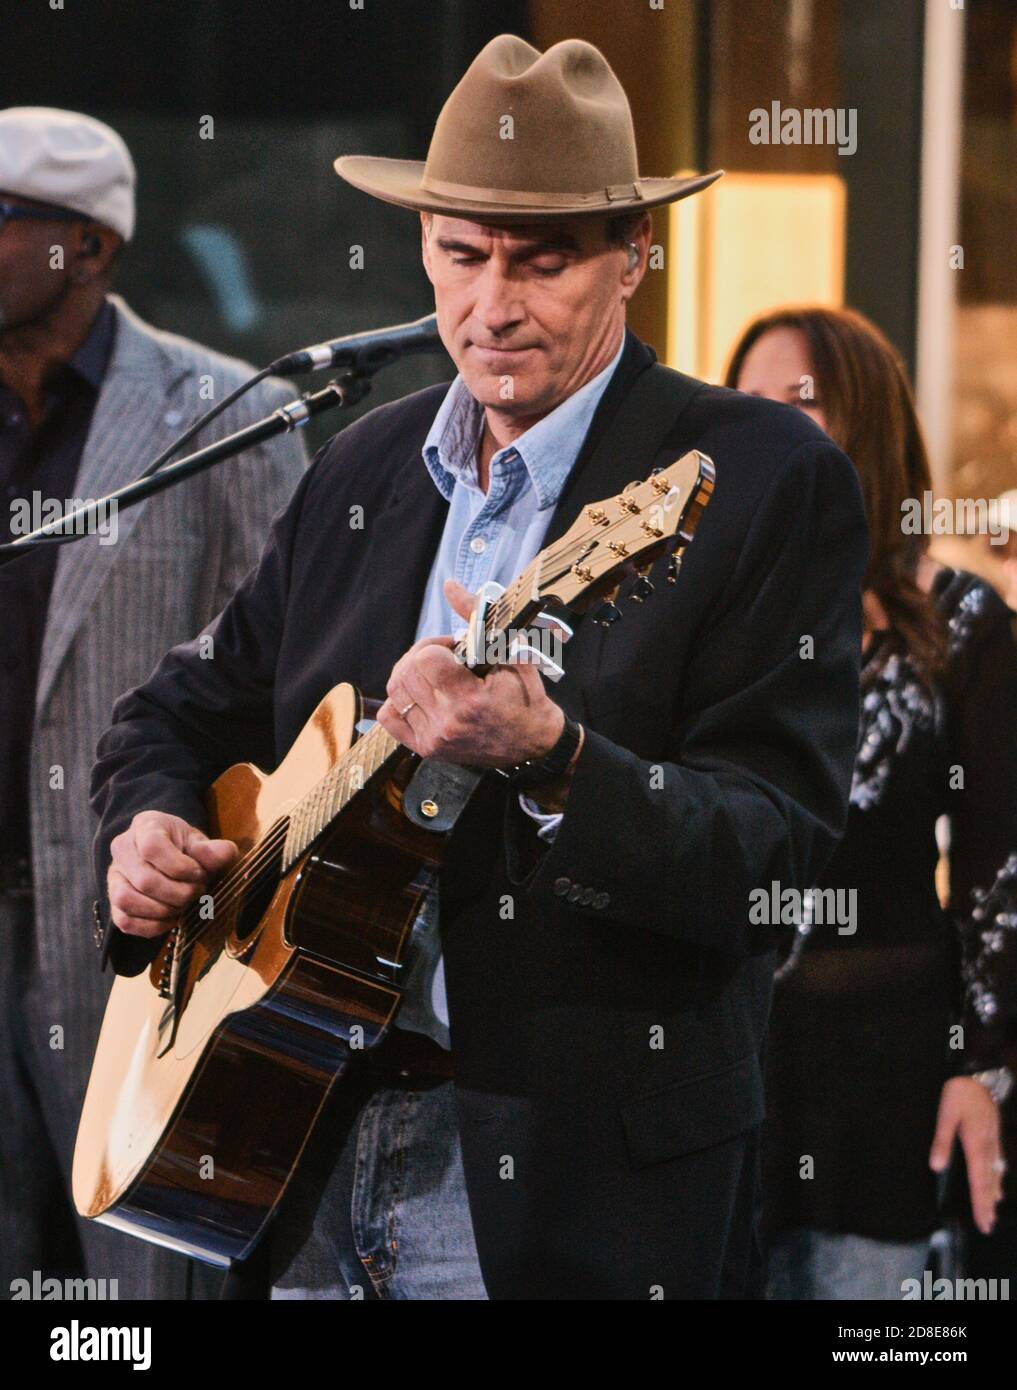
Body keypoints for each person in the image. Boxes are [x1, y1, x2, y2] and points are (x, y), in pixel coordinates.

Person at [91, 36, 867, 1300]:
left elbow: (771, 857)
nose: (493, 304)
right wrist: (149, 827)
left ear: (635, 259)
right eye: (462, 255)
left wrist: (553, 757)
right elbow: (174, 708)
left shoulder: (760, 476)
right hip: (300, 1142)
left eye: (543, 259)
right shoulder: (362, 464)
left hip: (575, 1179)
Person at [0, 107, 307, 1301]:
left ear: (89, 243)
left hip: (138, 938)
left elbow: (278, 690)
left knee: (137, 1285)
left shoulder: (221, 415)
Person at [727, 304, 1017, 1300]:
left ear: (868, 421)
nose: (771, 422)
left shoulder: (963, 622)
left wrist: (982, 1068)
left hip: (886, 1072)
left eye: (801, 400)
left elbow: (997, 873)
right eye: (750, 403)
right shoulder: (707, 614)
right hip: (723, 1070)